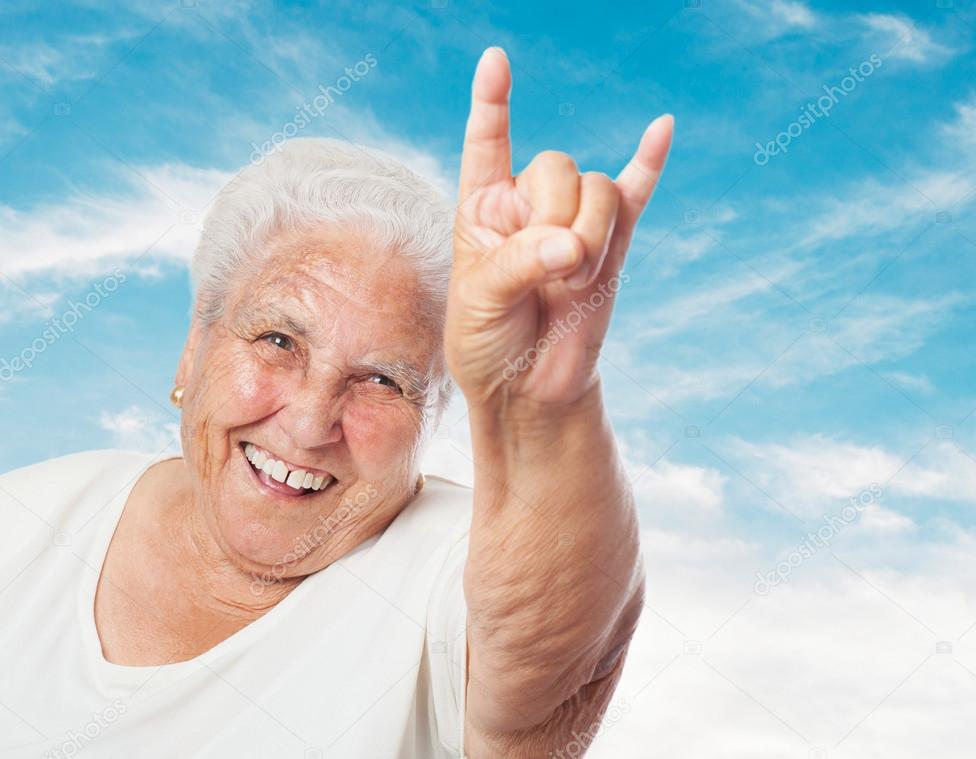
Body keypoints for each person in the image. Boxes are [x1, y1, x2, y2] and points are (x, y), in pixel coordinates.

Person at [0, 47, 673, 757]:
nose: (311, 419)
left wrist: (543, 404)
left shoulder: (455, 565)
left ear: (432, 414)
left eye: (381, 380)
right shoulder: (30, 516)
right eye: (278, 340)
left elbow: (559, 667)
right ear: (195, 343)